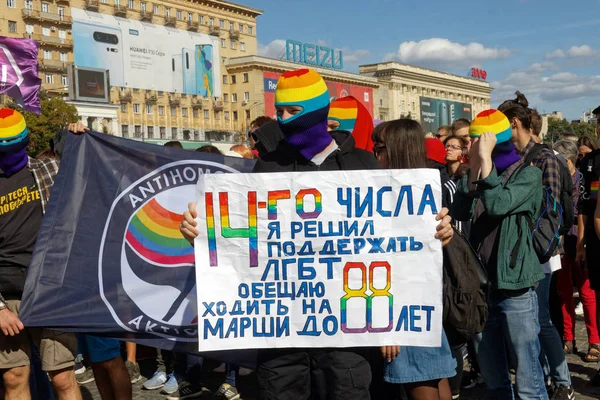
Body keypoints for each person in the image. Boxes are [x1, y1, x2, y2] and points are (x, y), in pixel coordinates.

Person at [180, 68, 455, 400]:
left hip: (347, 338)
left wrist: (435, 231)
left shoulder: (364, 166)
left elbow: (394, 246)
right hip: (281, 343)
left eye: (292, 111)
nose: (282, 119)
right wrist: (202, 233)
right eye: (279, 111)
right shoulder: (268, 168)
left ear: (319, 111)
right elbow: (244, 242)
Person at [453, 109, 547, 399]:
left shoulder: (528, 175)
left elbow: (498, 204)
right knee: (494, 380)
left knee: (528, 382)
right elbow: (460, 211)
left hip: (515, 287)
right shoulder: (481, 172)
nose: (472, 148)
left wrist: (486, 166)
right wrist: (472, 176)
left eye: (476, 142)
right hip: (482, 288)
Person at [0, 108, 83, 400]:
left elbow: (85, 171)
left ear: (26, 142)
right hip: (6, 296)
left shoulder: (48, 170)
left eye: (15, 148)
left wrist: (75, 138)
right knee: (14, 378)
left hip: (49, 291)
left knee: (62, 378)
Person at [499, 93, 574, 399]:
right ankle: (543, 376)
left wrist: (531, 246)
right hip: (522, 254)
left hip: (539, 255)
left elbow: (551, 213)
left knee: (539, 320)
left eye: (504, 128)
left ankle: (562, 381)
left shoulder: (545, 158)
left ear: (515, 124)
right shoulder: (519, 158)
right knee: (531, 321)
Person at [377, 121, 456, 400]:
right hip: (423, 310)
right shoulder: (423, 192)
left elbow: (399, 267)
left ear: (396, 151)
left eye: (380, 149)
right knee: (434, 378)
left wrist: (390, 326)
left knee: (422, 380)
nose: (376, 156)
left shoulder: (394, 198)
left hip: (404, 311)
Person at [553, 140, 600, 362]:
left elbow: (586, 209)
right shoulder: (555, 181)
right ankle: (568, 337)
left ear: (568, 161)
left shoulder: (583, 179)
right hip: (561, 240)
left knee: (586, 292)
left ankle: (594, 340)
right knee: (564, 292)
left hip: (578, 238)